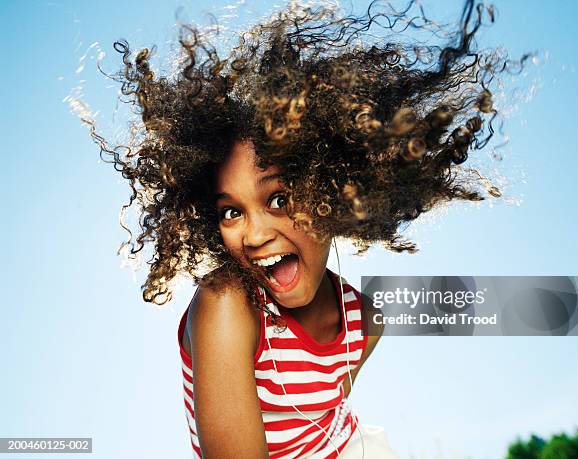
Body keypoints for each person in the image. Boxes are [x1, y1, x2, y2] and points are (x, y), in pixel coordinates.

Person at [90, 0, 525, 456]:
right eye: (231, 212)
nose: (255, 234)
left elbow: (330, 425)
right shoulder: (227, 305)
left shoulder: (366, 322)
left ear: (333, 191)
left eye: (278, 199)